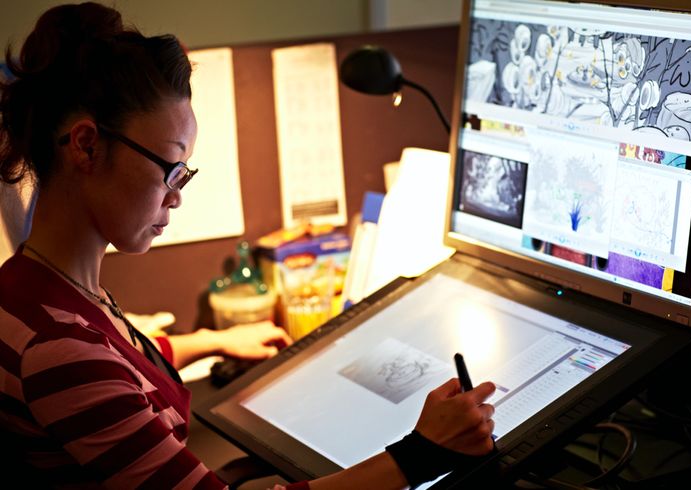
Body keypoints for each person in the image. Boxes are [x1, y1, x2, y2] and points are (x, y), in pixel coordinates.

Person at [0, 3, 496, 489]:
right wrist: (421, 454)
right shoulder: (60, 350)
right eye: (171, 168)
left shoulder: (34, 292)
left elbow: (113, 357)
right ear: (86, 146)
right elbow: (92, 367)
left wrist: (212, 341)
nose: (177, 195)